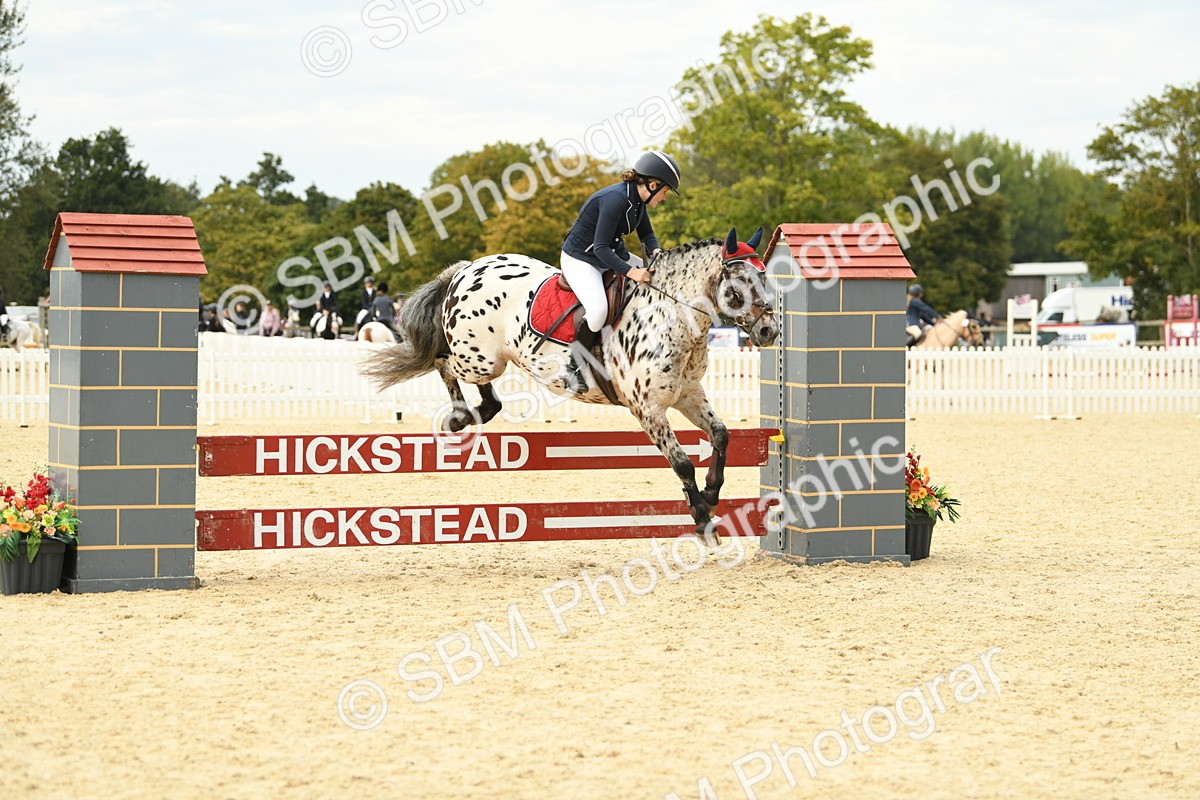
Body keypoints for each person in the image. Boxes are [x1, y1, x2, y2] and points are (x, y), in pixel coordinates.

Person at [559, 150, 680, 391]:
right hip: (582, 259)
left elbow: (647, 235)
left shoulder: (637, 201)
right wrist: (631, 271)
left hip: (608, 255)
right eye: (665, 191)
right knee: (598, 310)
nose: (664, 197)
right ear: (653, 184)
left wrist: (656, 251)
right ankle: (573, 368)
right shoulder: (616, 199)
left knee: (655, 283)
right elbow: (601, 247)